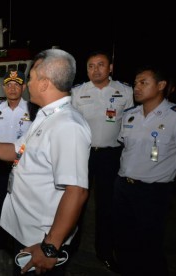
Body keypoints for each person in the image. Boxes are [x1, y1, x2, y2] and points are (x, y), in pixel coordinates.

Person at [0, 49, 91, 275]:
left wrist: (50, 247)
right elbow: (17, 150)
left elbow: (77, 191)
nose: (26, 85)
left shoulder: (68, 126)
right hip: (28, 232)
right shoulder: (45, 116)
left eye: (29, 79)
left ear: (44, 83)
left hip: (42, 239)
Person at [71, 50, 134, 272]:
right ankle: (71, 247)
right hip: (83, 154)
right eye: (90, 65)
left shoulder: (125, 91)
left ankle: (105, 251)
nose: (95, 69)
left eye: (100, 65)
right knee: (76, 202)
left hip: (111, 156)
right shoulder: (77, 92)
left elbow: (132, 123)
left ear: (110, 68)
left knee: (107, 206)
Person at [113, 65, 176, 276]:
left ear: (161, 85)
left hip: (153, 192)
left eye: (143, 83)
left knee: (149, 247)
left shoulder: (173, 117)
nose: (136, 88)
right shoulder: (130, 115)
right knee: (123, 242)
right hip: (123, 188)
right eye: (135, 83)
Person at [0, 70, 37, 255]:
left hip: (23, 168)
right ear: (4, 87)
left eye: (17, 84)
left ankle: (18, 245)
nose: (12, 88)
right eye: (9, 85)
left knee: (20, 209)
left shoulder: (33, 111)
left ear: (23, 87)